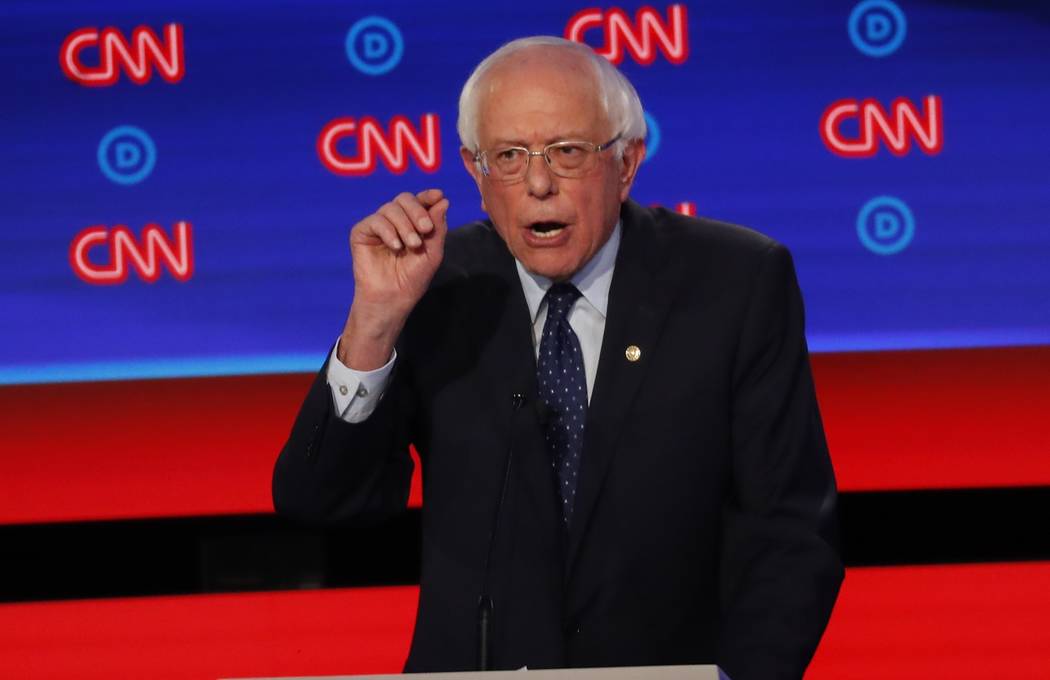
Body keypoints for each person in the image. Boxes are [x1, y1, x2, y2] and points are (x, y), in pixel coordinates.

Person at [273, 35, 842, 680]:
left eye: (567, 152)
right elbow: (320, 503)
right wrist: (373, 324)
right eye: (509, 157)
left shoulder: (733, 282)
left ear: (627, 163)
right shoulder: (436, 287)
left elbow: (792, 534)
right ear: (474, 171)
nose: (538, 183)